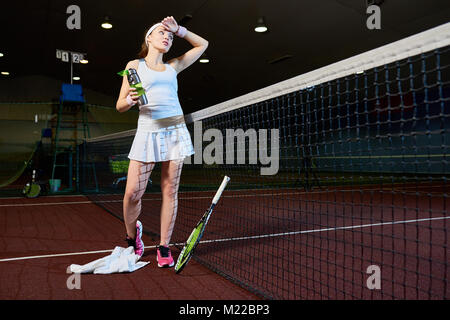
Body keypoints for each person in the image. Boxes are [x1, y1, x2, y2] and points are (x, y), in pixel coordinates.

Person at [116, 16, 208, 267]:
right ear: (148, 38)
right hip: (147, 132)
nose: (166, 37)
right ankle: (132, 237)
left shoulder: (173, 66)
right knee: (132, 194)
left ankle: (164, 246)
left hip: (175, 132)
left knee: (170, 191)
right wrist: (130, 101)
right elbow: (120, 105)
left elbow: (203, 45)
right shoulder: (134, 65)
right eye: (161, 32)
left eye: (169, 35)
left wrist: (180, 30)